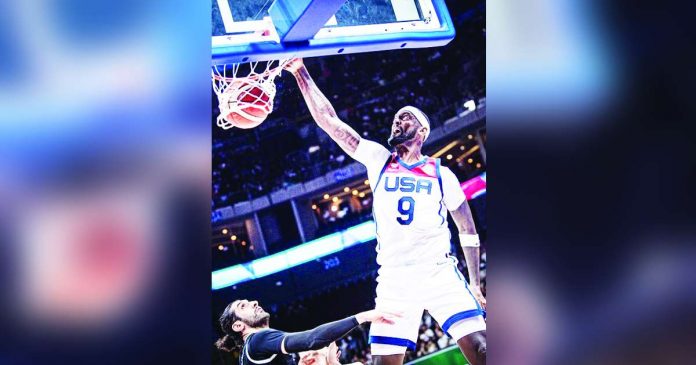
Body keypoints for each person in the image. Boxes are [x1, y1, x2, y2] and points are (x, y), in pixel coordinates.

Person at [285, 58, 486, 365]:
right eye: (395, 118)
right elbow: (331, 122)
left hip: (438, 272)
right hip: (394, 279)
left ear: (421, 132)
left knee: (482, 349)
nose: (396, 121)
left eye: (404, 119)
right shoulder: (379, 159)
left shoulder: (440, 173)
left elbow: (468, 231)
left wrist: (474, 282)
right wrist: (300, 70)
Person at [216, 299, 399, 365]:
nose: (254, 302)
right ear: (238, 326)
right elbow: (312, 339)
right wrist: (362, 317)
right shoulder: (257, 340)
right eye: (243, 306)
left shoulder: (255, 348)